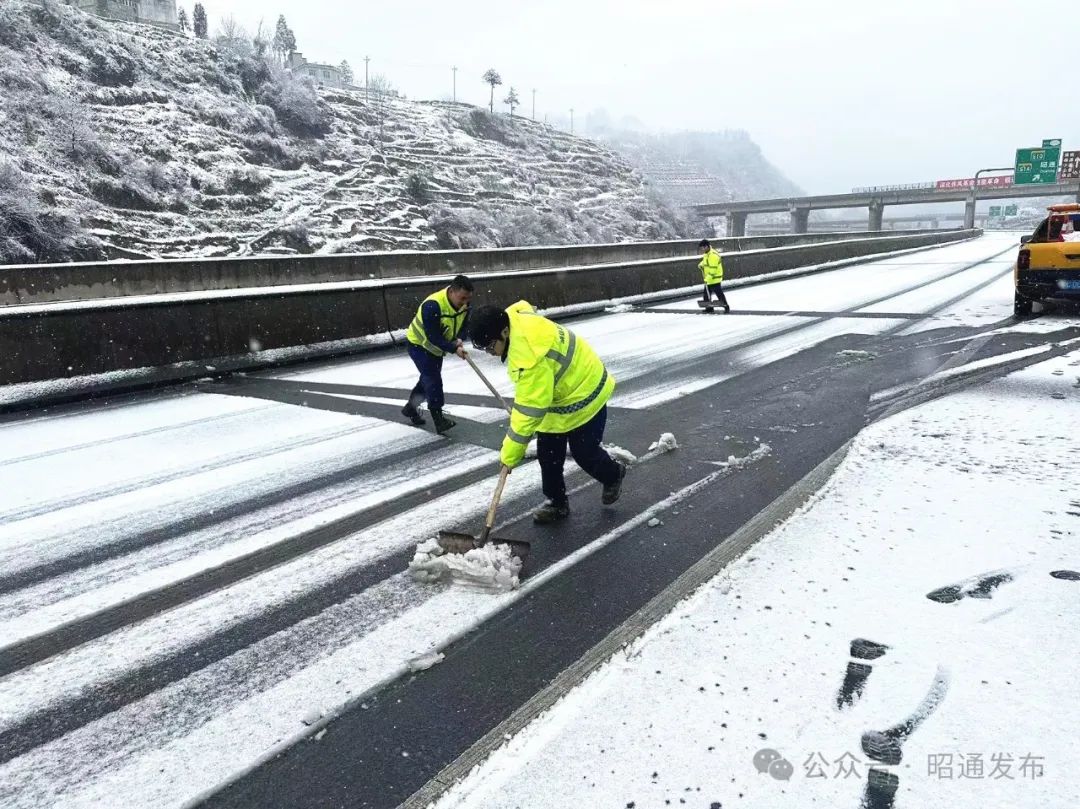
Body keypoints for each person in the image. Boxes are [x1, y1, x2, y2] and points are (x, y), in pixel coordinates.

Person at [469, 301, 626, 523]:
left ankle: (613, 474)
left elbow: (529, 412)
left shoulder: (530, 357)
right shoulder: (515, 320)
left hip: (585, 391)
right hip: (558, 395)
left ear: (504, 331)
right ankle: (557, 503)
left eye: (490, 346)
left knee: (584, 451)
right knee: (549, 454)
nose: (490, 353)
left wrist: (509, 455)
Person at [401, 275, 473, 434]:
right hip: (418, 345)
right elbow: (433, 336)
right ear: (452, 292)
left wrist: (459, 338)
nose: (465, 302)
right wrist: (454, 348)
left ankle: (410, 408)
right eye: (462, 298)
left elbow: (465, 324)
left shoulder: (464, 303)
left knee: (427, 379)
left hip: (436, 348)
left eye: (468, 299)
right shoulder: (433, 306)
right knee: (433, 379)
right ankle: (439, 419)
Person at [697, 238, 730, 313]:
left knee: (719, 293)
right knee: (706, 294)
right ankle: (709, 308)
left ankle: (726, 306)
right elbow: (706, 262)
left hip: (715, 278)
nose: (702, 250)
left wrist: (707, 278)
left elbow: (713, 269)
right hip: (709, 278)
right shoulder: (707, 254)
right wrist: (701, 264)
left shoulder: (713, 255)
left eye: (703, 248)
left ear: (707, 246)